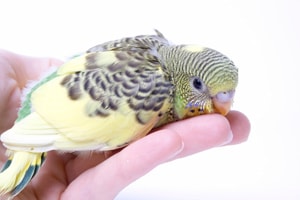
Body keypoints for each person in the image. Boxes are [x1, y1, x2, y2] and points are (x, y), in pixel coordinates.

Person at [0, 49, 250, 200]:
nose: (223, 104)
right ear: (184, 77)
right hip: (45, 115)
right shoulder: (154, 91)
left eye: (228, 94)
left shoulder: (158, 53)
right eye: (198, 86)